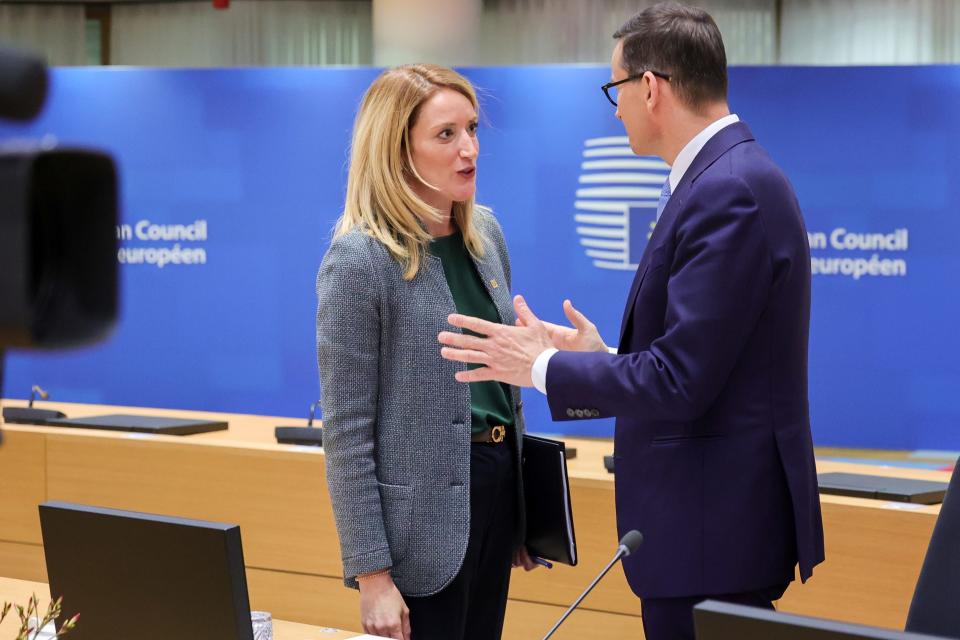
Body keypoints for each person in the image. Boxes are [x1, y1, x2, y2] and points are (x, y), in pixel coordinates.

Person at [437, 3, 825, 638]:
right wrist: (599, 357)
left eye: (615, 89)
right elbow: (702, 362)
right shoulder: (720, 178)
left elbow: (681, 381)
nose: (613, 109)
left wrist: (541, 368)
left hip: (710, 530)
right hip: (706, 527)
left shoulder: (728, 188)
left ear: (650, 88)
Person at [316, 63, 535, 640]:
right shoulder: (359, 261)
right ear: (397, 149)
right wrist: (371, 574)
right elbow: (346, 433)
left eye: (472, 128)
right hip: (417, 528)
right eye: (446, 134)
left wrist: (522, 508)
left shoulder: (485, 235)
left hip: (494, 496)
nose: (469, 149)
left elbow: (503, 380)